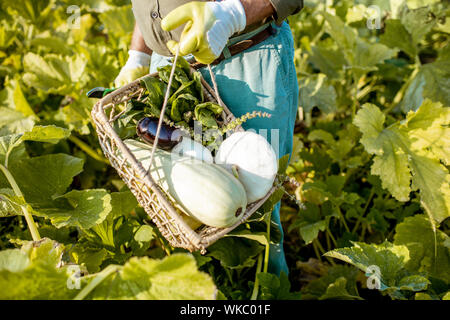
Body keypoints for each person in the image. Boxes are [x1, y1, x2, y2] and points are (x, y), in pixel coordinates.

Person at [115, 0, 303, 276]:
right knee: (184, 208)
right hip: (168, 69)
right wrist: (138, 55)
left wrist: (230, 15)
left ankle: (265, 291)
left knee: (255, 203)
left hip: (244, 61)